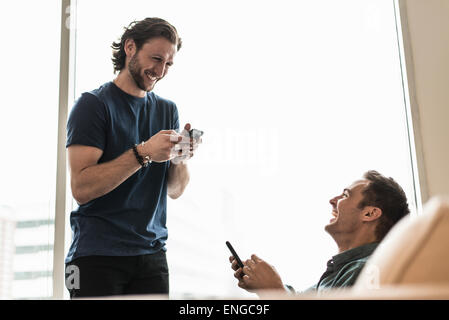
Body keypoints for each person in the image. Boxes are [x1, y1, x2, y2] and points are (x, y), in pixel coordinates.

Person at [64, 17, 200, 298]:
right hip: (96, 256)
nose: (160, 71)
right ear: (130, 47)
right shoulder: (93, 105)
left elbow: (174, 191)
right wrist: (145, 152)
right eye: (156, 58)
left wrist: (180, 158)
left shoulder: (167, 110)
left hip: (151, 257)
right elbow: (81, 189)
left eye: (168, 64)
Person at [229, 170, 410, 296]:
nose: (332, 200)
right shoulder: (342, 271)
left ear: (369, 213)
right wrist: (264, 283)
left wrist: (273, 290)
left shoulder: (367, 270)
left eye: (345, 195)